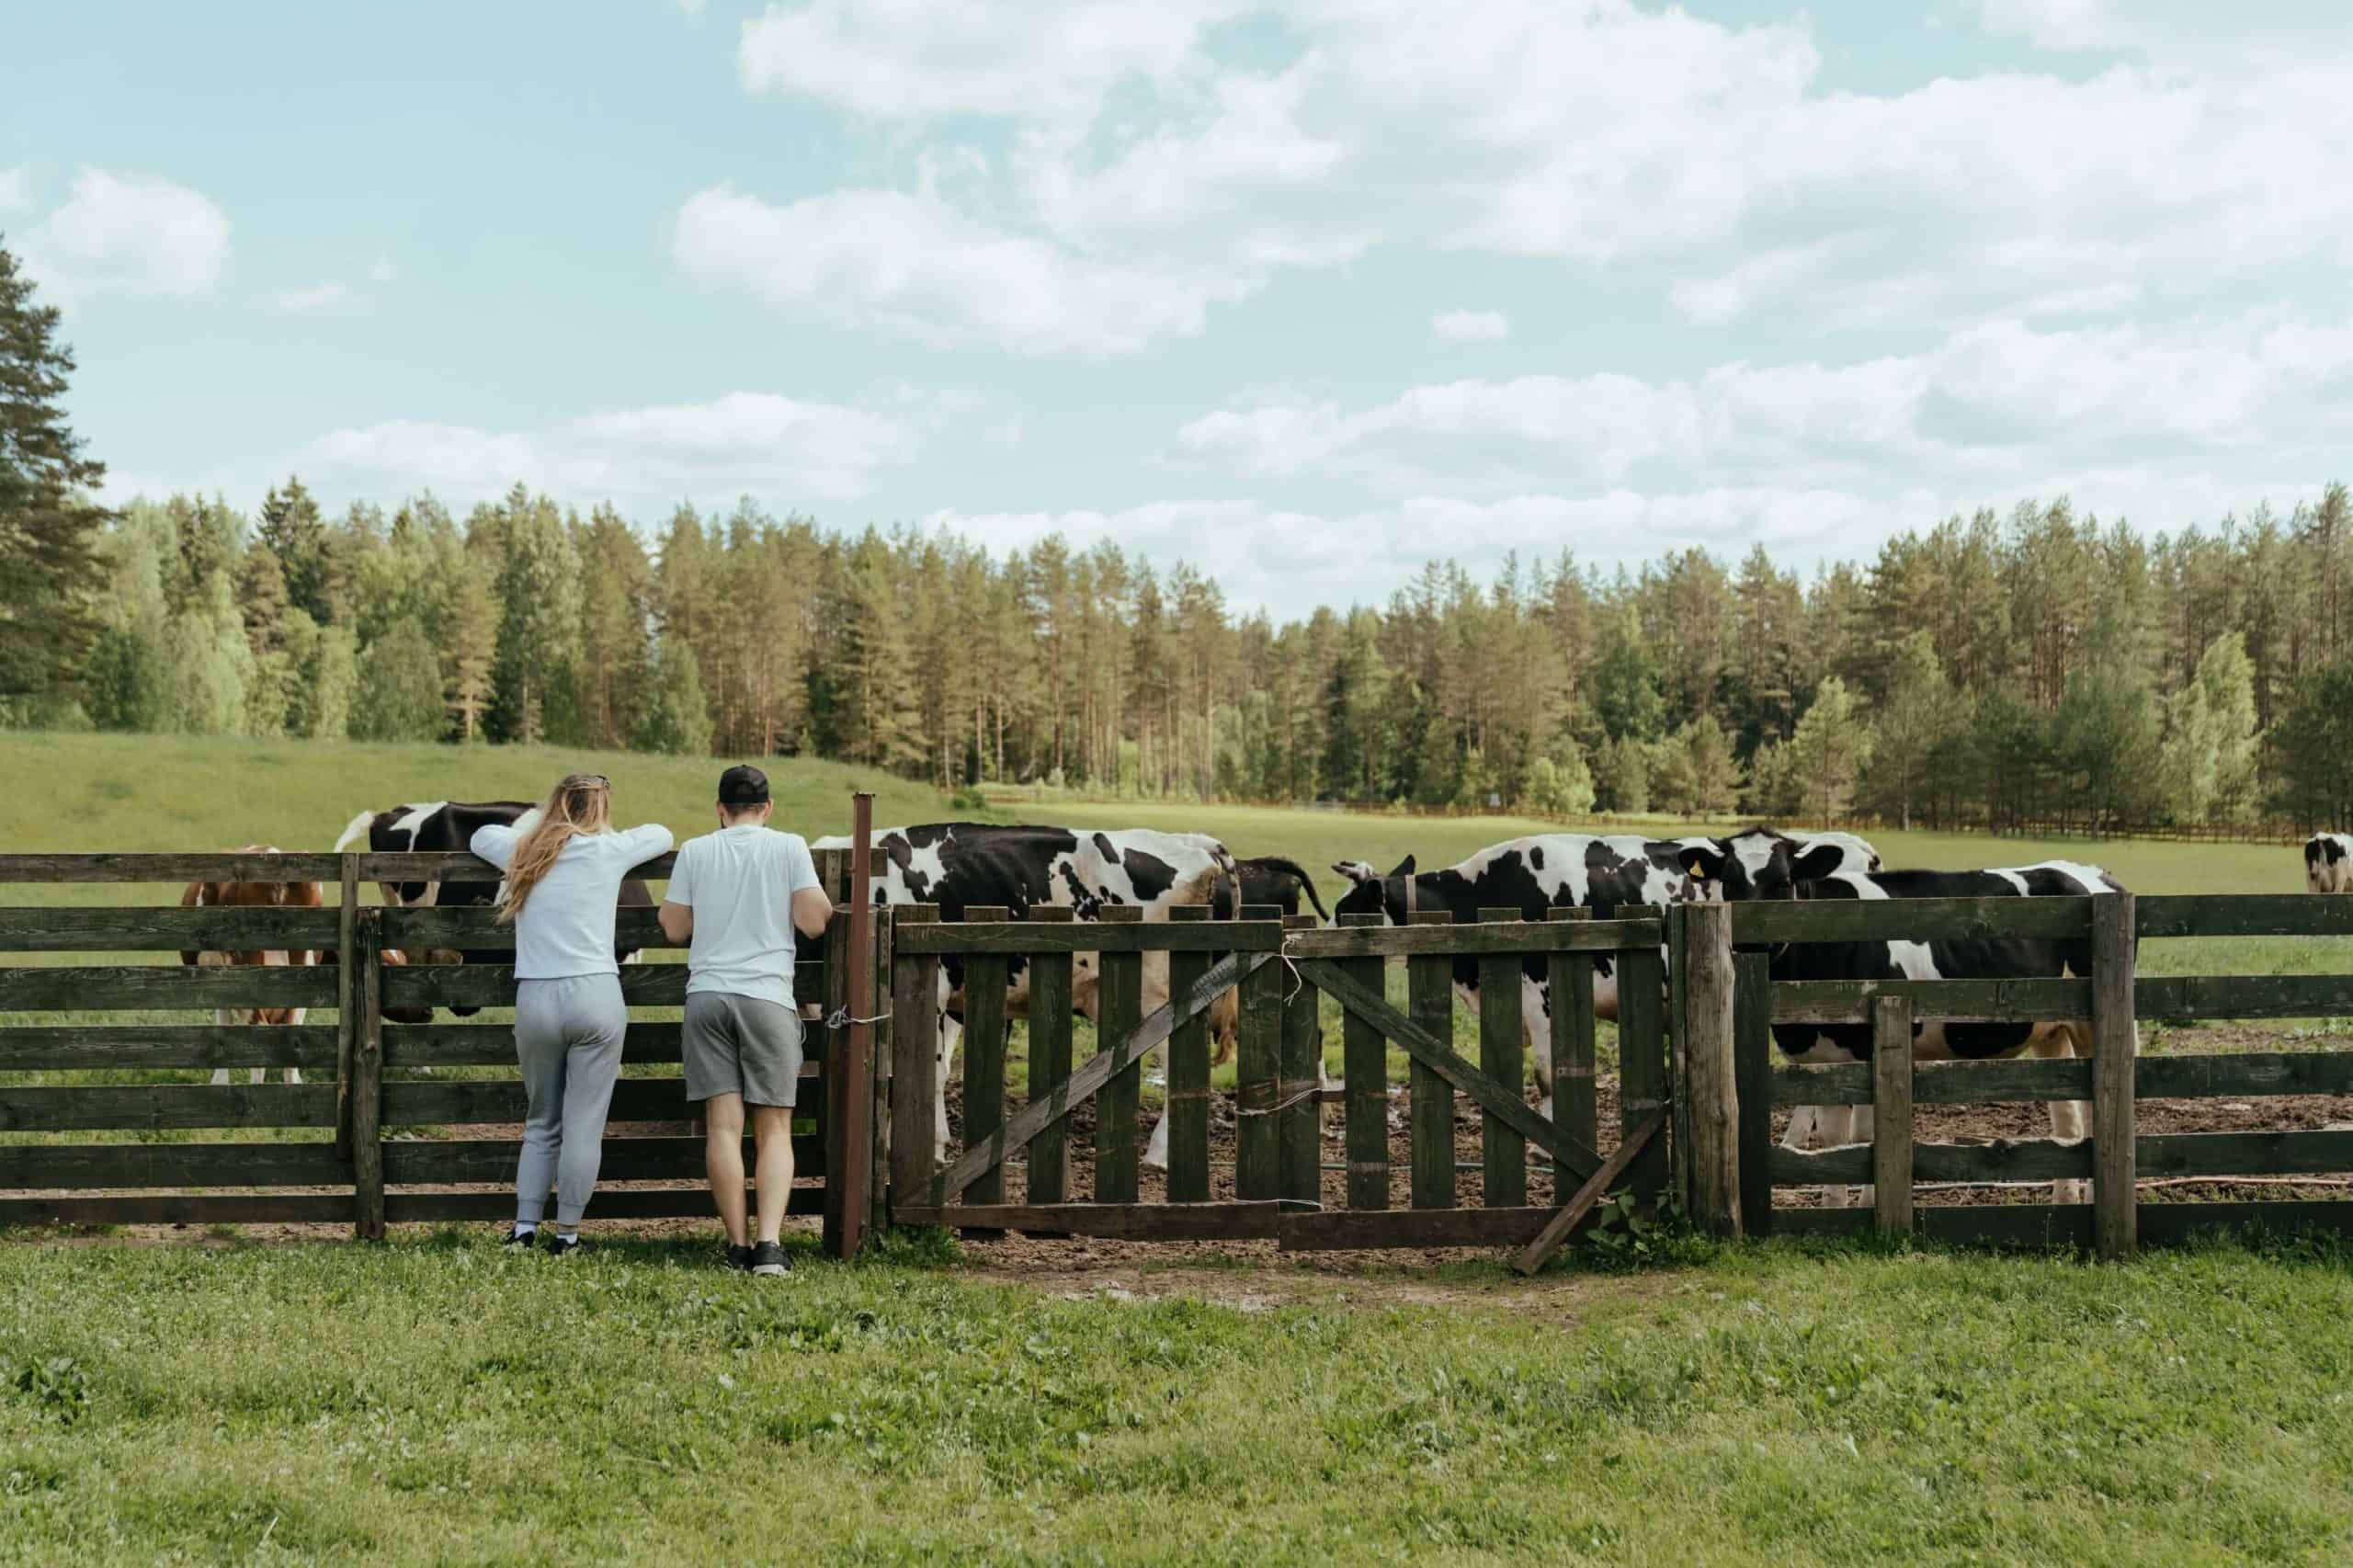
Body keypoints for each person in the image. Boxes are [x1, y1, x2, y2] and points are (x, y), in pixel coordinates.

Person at [470, 774, 674, 1257]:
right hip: (595, 994)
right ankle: (567, 1235)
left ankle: (523, 1228)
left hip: (537, 997)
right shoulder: (610, 849)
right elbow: (662, 834)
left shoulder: (523, 850)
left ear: (556, 804)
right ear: (601, 808)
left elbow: (479, 835)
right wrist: (604, 832)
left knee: (541, 1121)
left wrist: (538, 830)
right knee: (584, 1124)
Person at [657, 765, 832, 1277]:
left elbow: (671, 927)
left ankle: (735, 1246)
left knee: (723, 1127)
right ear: (768, 808)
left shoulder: (696, 850)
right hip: (766, 998)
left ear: (720, 809)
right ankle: (770, 1247)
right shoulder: (788, 846)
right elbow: (815, 921)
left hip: (708, 996)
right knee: (775, 1128)